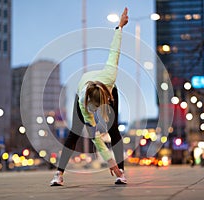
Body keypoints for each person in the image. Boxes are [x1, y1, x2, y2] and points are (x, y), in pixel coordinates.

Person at [50, 7, 129, 186]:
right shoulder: (82, 102)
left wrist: (120, 27)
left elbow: (114, 51)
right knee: (74, 133)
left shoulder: (110, 75)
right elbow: (95, 138)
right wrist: (110, 162)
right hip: (84, 93)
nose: (96, 112)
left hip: (108, 89)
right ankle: (58, 174)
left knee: (113, 129)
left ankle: (121, 172)